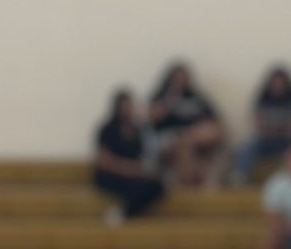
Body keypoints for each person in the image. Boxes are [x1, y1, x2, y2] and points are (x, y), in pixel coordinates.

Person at [147, 61, 227, 187]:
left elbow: (215, 120)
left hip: (194, 135)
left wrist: (196, 132)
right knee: (185, 145)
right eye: (178, 78)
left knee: (207, 137)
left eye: (184, 78)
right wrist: (169, 101)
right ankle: (188, 184)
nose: (181, 81)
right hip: (170, 136)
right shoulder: (162, 96)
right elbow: (151, 118)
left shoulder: (196, 97)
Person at [92, 90, 166, 224]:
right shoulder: (108, 129)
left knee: (156, 186)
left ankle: (126, 213)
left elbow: (145, 155)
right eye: (126, 105)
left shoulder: (138, 130)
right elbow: (104, 161)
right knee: (138, 187)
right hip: (111, 174)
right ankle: (120, 214)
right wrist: (128, 169)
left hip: (134, 174)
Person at [230, 65, 291, 185]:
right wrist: (271, 130)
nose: (278, 86)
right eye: (275, 83)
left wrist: (281, 130)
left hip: (287, 139)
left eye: (281, 83)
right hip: (266, 140)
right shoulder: (262, 100)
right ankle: (240, 176)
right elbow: (258, 123)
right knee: (248, 146)